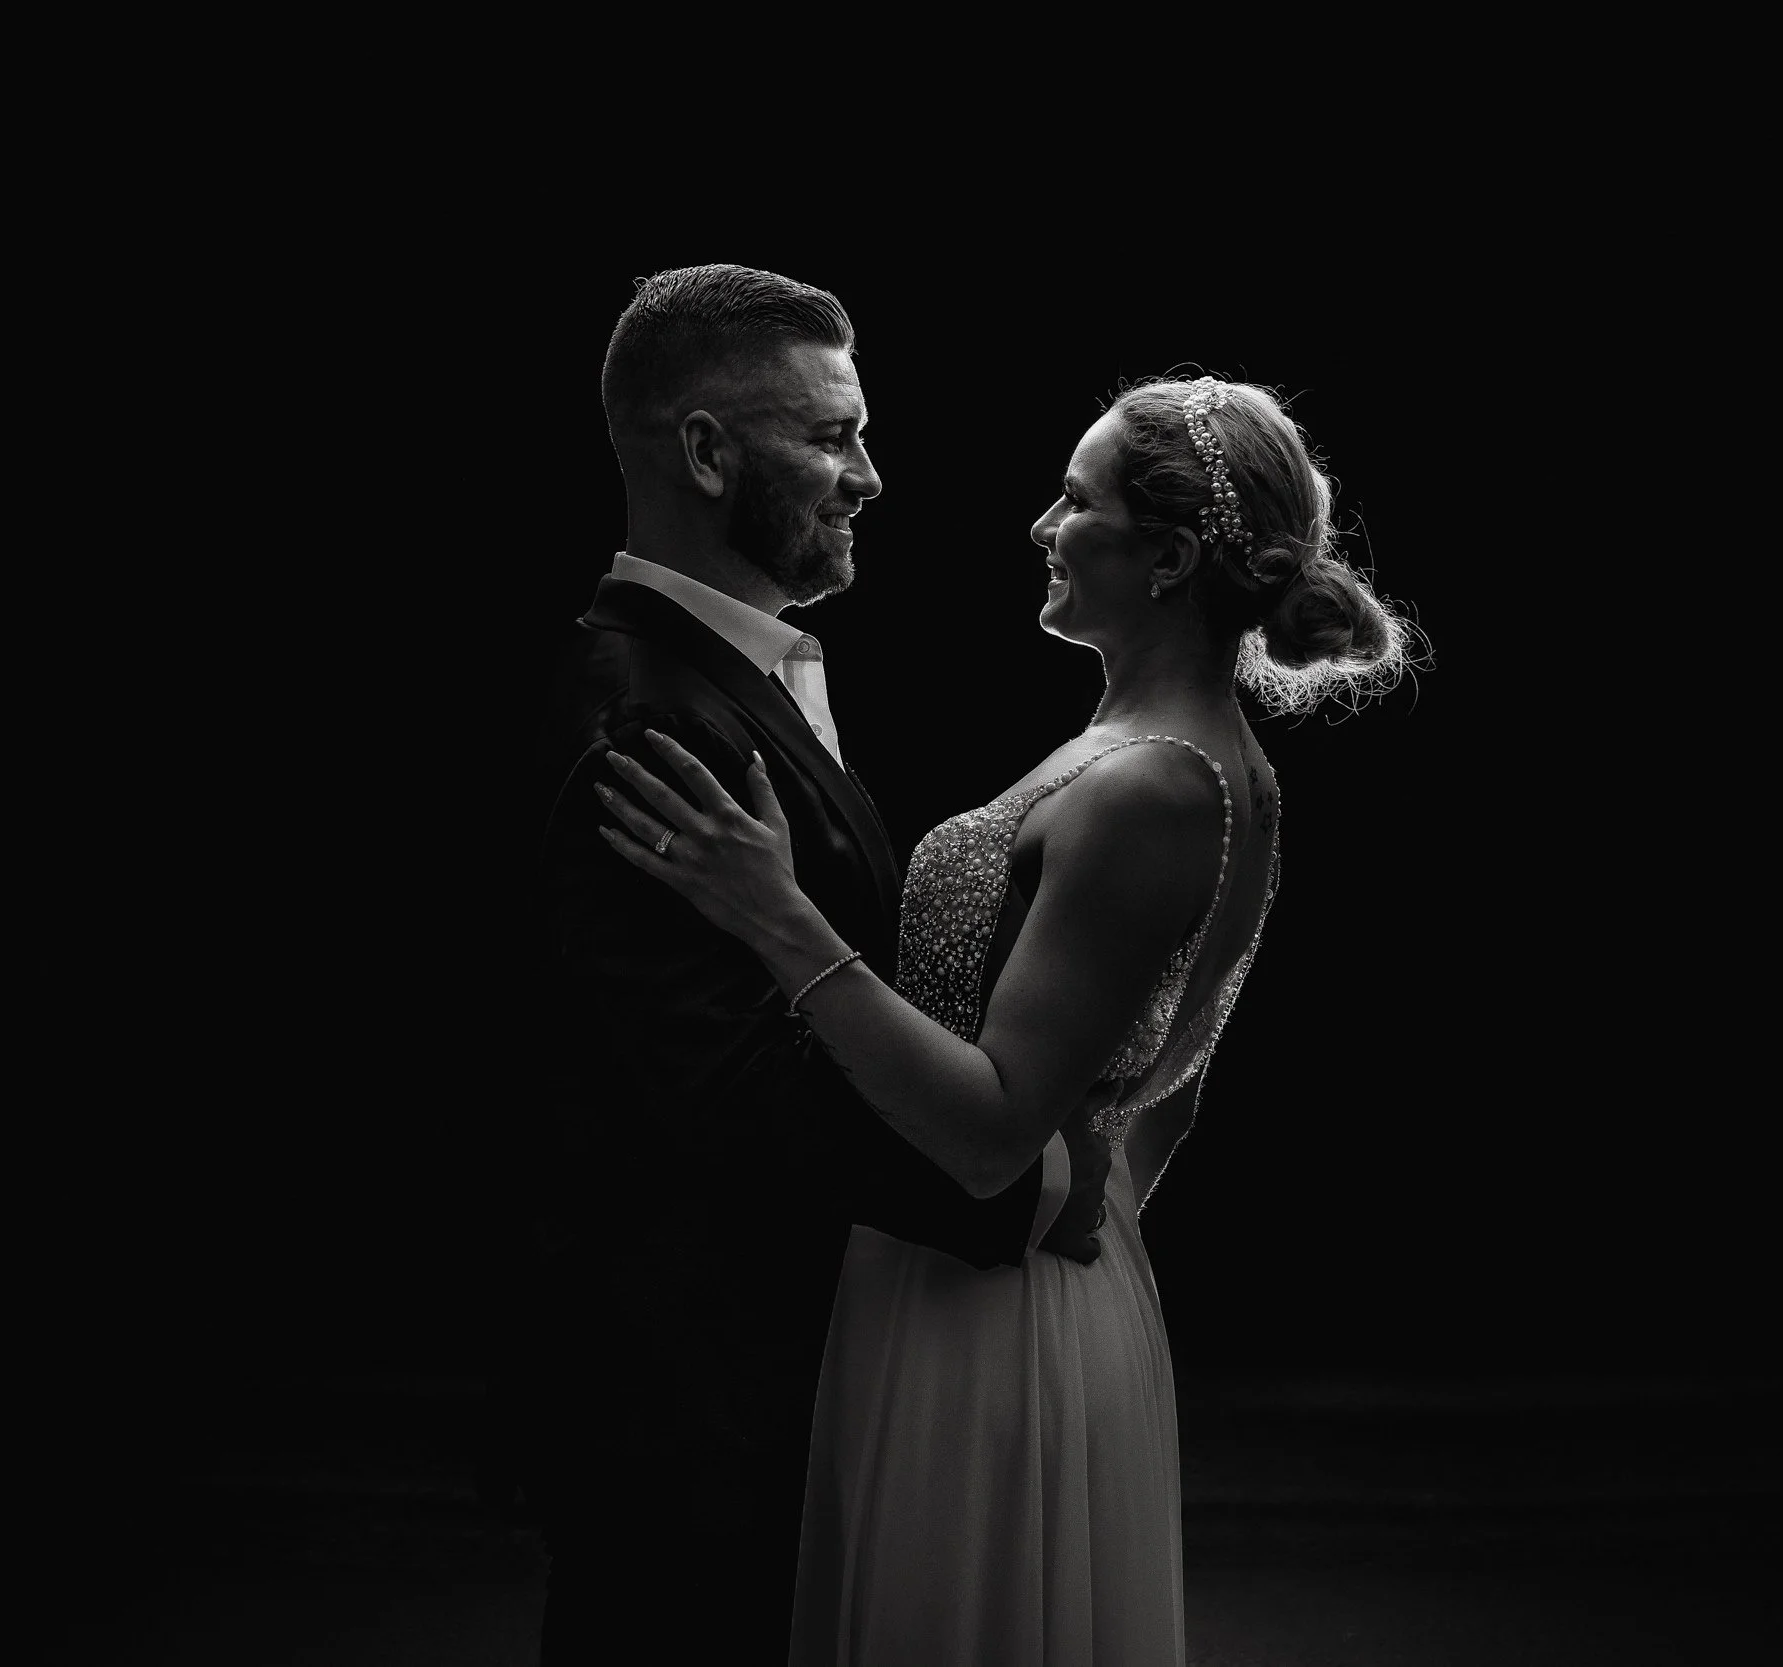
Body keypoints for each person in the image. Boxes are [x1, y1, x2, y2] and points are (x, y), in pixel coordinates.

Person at [597, 370, 1423, 1665]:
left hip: (975, 1295)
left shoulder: (1150, 786)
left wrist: (774, 913)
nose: (1042, 525)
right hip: (1017, 1279)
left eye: (1075, 499)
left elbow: (986, 1136)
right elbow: (1169, 1083)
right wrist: (1079, 1199)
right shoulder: (1197, 760)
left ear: (1166, 556)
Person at [494, 265, 1113, 1667]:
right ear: (708, 452)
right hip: (693, 1414)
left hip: (774, 1386)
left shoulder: (724, 678)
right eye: (833, 435)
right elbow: (735, 1089)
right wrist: (1024, 1181)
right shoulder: (643, 722)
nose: (873, 476)